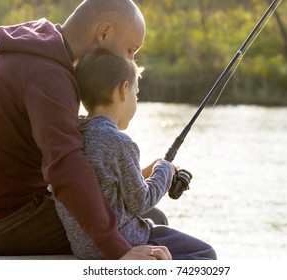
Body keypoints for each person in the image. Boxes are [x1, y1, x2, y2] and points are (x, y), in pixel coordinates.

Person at [0, 0, 170, 260]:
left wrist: (135, 176)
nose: (131, 61)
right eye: (131, 50)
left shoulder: (28, 48)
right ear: (104, 33)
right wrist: (118, 250)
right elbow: (66, 169)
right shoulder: (48, 75)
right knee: (149, 219)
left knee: (127, 215)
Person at [55, 47, 217, 260]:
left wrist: (151, 169)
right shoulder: (119, 142)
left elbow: (108, 185)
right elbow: (140, 201)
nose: (135, 100)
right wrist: (165, 170)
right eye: (136, 93)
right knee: (205, 254)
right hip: (128, 241)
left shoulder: (74, 136)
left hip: (86, 248)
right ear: (123, 90)